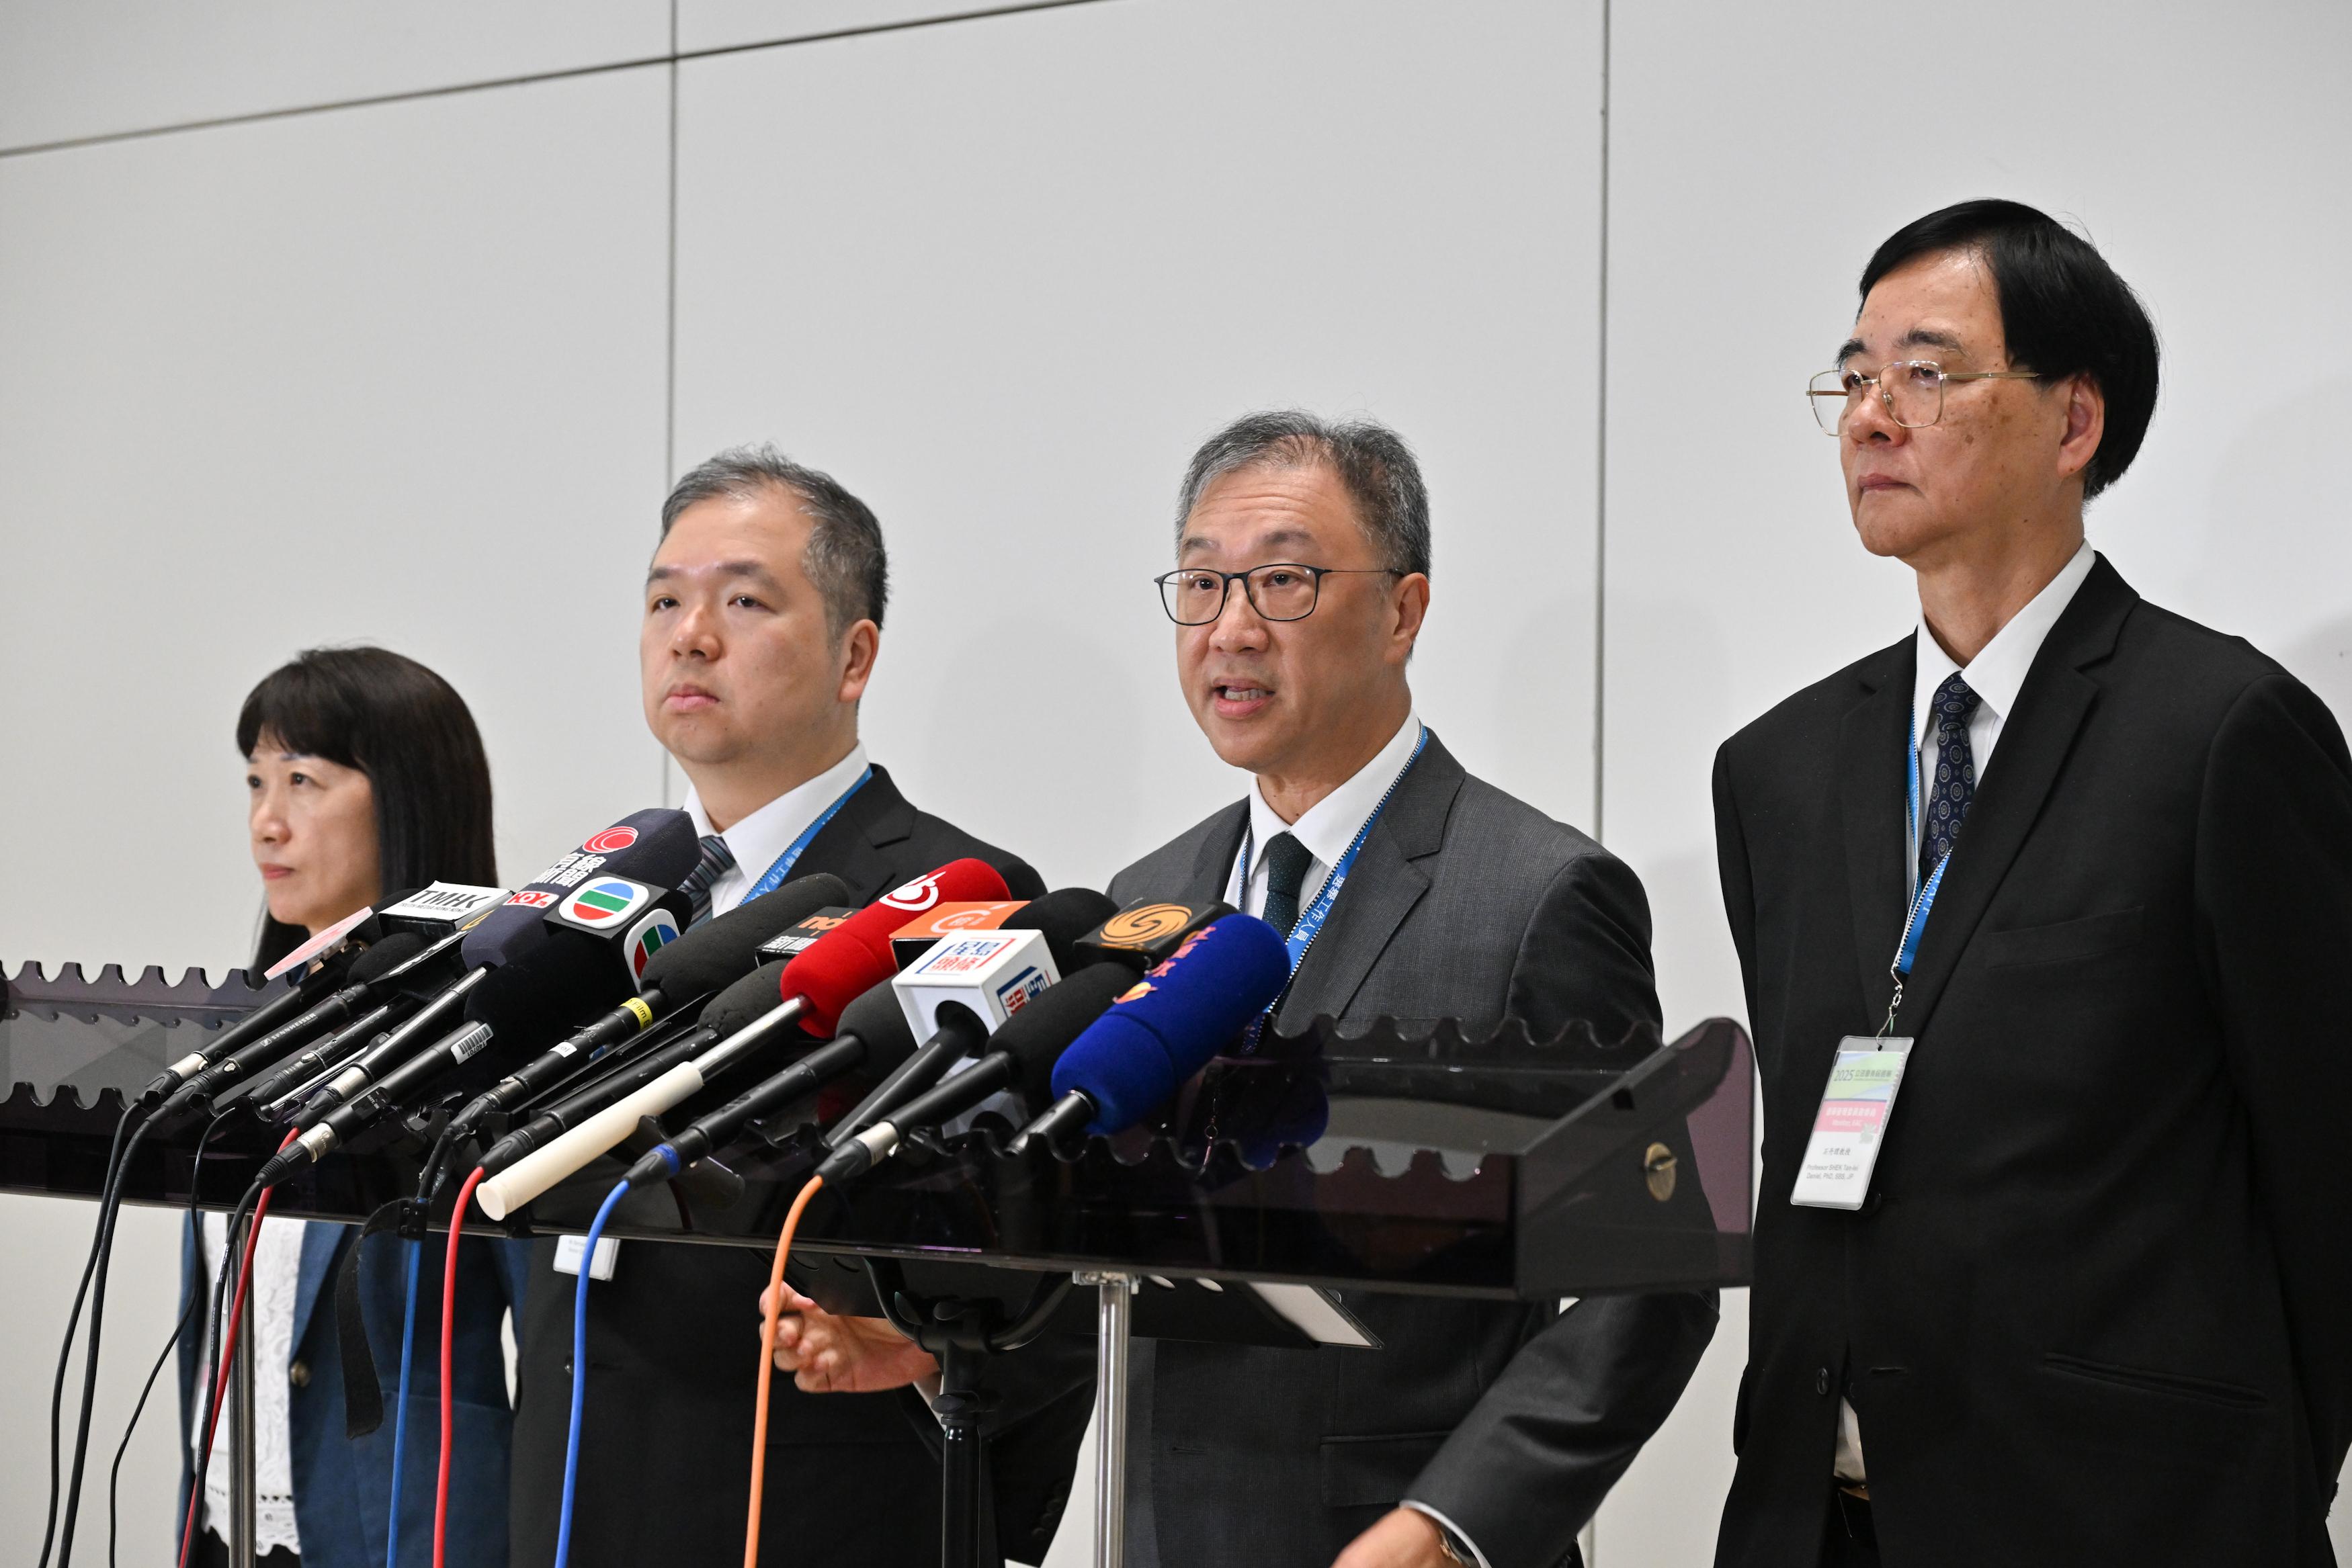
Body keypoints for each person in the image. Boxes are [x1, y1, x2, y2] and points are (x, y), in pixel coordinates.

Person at [776, 411, 1718, 1568]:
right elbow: (1133, 1252)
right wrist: (945, 1347)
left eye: (1282, 580)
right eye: (1203, 584)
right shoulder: (1148, 893)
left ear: (1404, 611)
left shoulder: (1539, 890)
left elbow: (1658, 1276)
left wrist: (1451, 1526)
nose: (1231, 628)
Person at [1711, 200, 2352, 1567]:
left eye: (1926, 373)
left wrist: (2254, 1477)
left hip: (2129, 1519)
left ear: (2073, 425)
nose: (1870, 417)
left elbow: (2326, 1165)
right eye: (1855, 376)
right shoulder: (1774, 770)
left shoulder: (2222, 732)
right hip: (1812, 1518)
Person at [506, 445, 1088, 1568]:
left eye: (744, 600)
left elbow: (1051, 1263)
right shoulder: (597, 893)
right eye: (665, 598)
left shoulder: (962, 896)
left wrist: (920, 1346)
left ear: (854, 654)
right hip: (578, 1505)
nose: (691, 632)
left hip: (822, 1510)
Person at [179, 646, 527, 1568]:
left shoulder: (490, 1037)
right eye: (255, 781)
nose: (266, 821)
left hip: (404, 1531)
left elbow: (561, 1350)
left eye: (304, 780)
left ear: (409, 798)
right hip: (225, 1531)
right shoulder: (248, 1035)